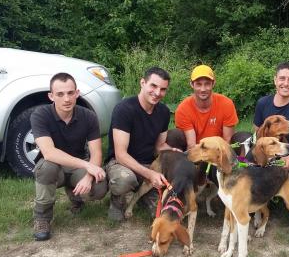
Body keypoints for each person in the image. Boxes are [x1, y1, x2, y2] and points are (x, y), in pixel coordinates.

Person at [31, 72, 107, 241]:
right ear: (51, 96)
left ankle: (76, 197)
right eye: (60, 94)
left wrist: (88, 177)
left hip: (77, 167)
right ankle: (42, 218)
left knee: (99, 187)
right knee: (47, 168)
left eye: (70, 93)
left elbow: (96, 153)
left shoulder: (88, 116)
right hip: (53, 166)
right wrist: (87, 166)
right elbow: (49, 152)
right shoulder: (40, 115)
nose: (66, 99)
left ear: (77, 93)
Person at [106, 67, 179, 221]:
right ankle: (117, 201)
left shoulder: (164, 112)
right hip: (121, 163)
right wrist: (150, 174)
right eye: (153, 86)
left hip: (148, 164)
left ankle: (142, 196)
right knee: (124, 179)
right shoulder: (124, 109)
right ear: (143, 83)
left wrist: (173, 151)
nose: (158, 92)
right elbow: (120, 154)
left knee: (161, 212)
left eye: (163, 89)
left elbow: (159, 146)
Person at [253, 62, 289, 218]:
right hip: (269, 151)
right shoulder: (262, 103)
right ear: (275, 80)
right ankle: (257, 202)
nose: (286, 83)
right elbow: (257, 132)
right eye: (282, 78)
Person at [175, 64, 239, 149]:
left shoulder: (226, 104)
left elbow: (228, 140)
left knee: (241, 137)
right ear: (191, 84)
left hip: (220, 150)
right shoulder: (183, 109)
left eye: (207, 84)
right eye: (198, 84)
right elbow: (191, 145)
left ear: (213, 83)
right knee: (173, 135)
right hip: (197, 151)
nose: (203, 89)